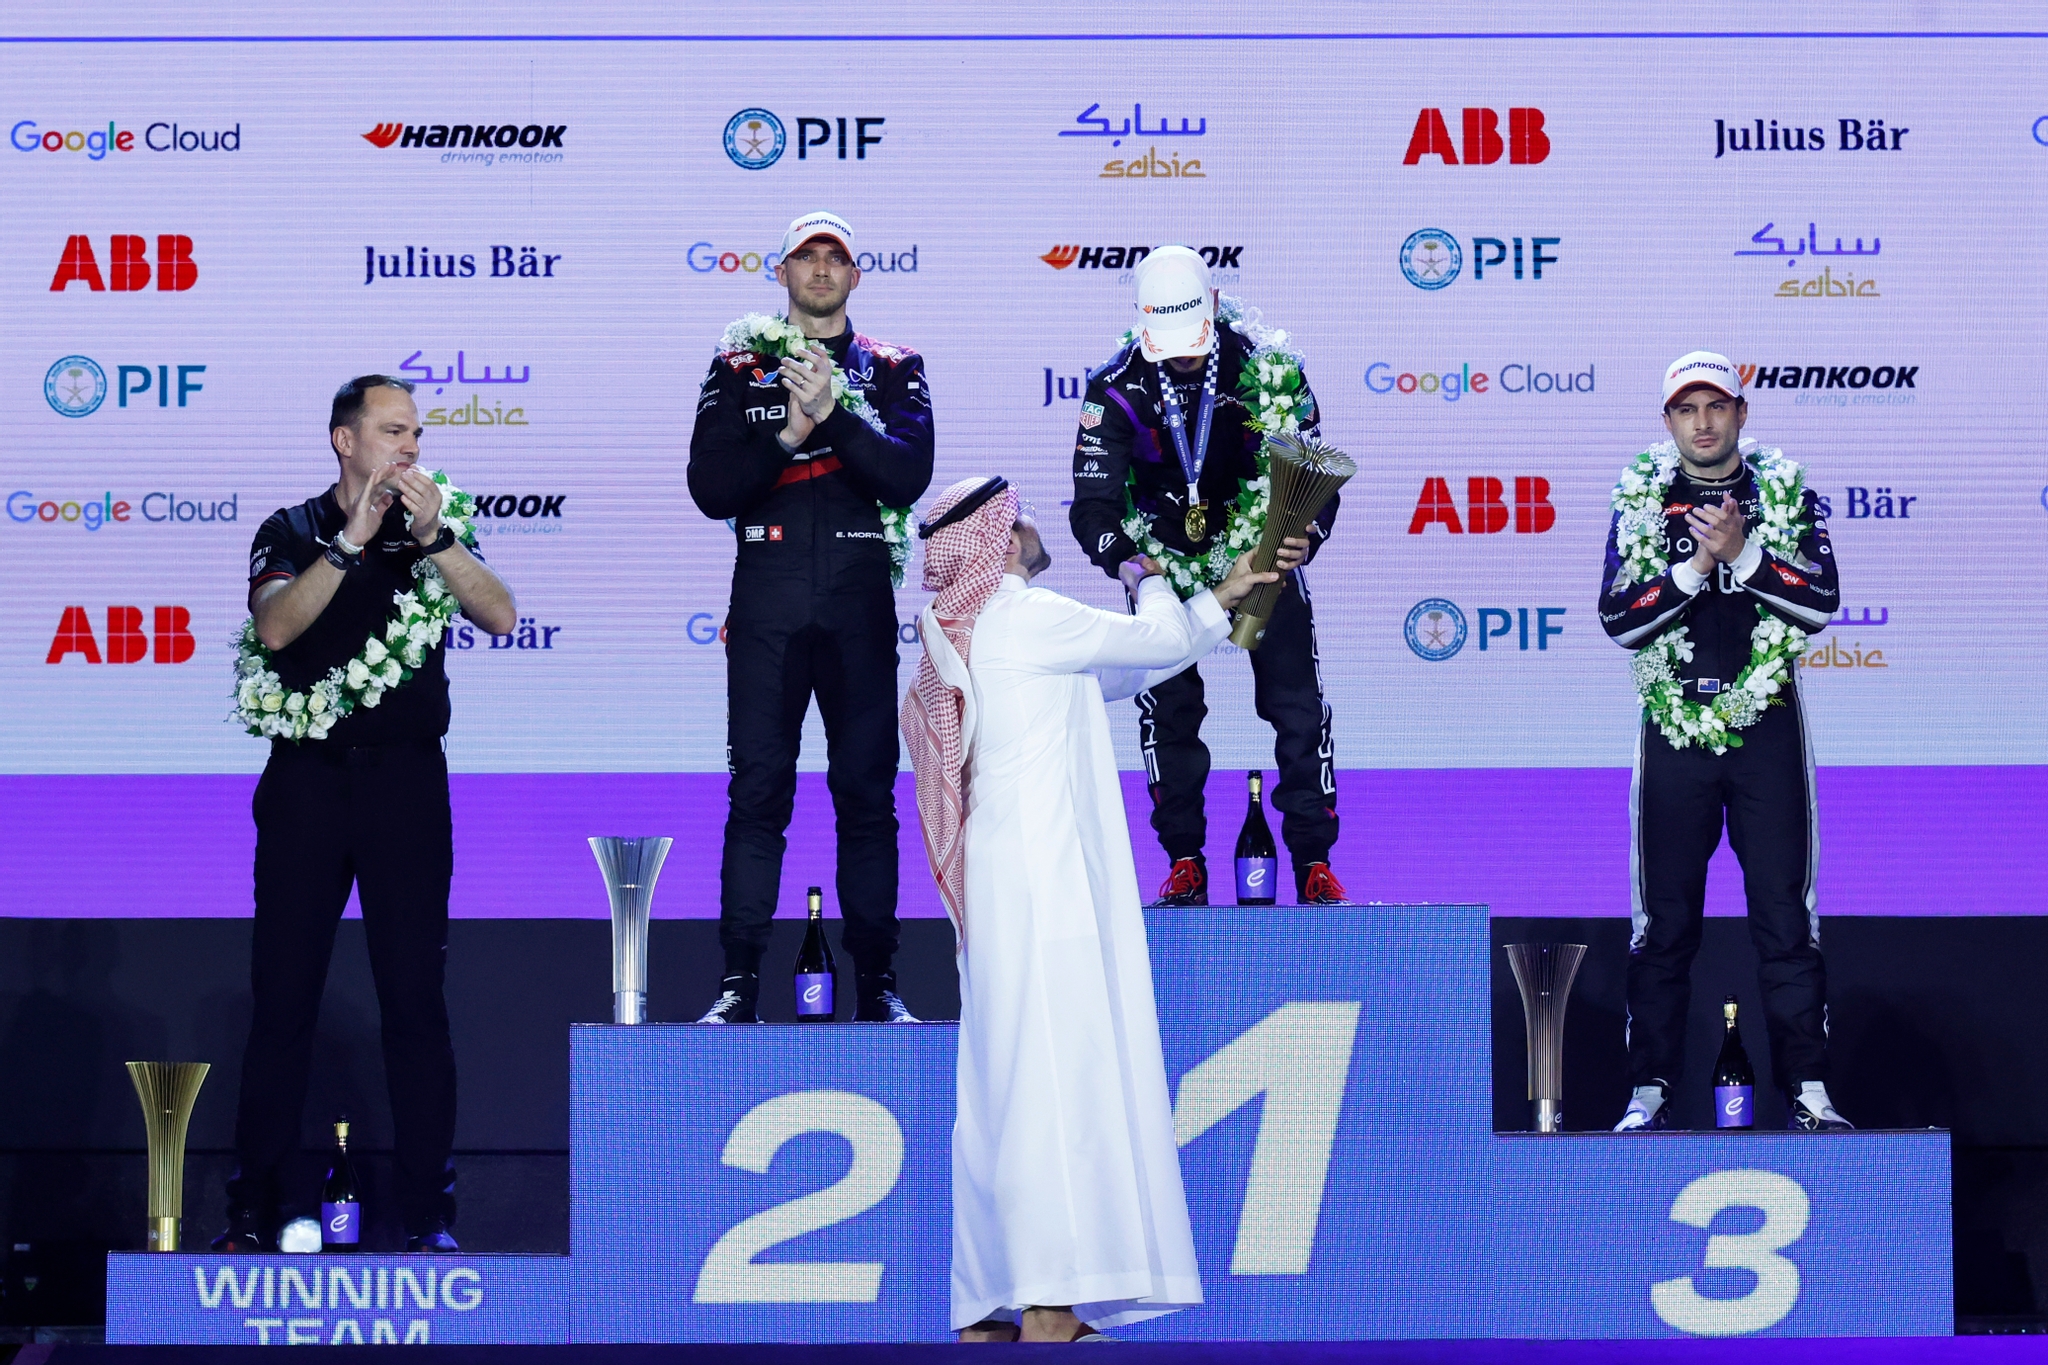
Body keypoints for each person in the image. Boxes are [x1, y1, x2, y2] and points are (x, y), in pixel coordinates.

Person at [902, 475, 1304, 1342]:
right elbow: (1153, 636)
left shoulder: (975, 625)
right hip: (1043, 883)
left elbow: (1134, 666)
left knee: (1004, 1085)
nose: (1032, 525)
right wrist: (1149, 574)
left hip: (1007, 885)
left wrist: (1222, 594)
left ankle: (987, 1304)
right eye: (1019, 516)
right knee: (1054, 1080)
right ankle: (1050, 1304)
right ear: (1000, 538)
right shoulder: (1024, 614)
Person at [215, 374, 517, 1252]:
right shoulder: (290, 529)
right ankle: (254, 1210)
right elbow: (276, 627)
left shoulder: (433, 526)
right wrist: (349, 541)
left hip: (406, 790)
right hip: (308, 786)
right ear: (345, 440)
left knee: (416, 1004)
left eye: (416, 433)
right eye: (393, 431)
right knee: (283, 1004)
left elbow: (500, 613)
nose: (411, 447)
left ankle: (427, 1213)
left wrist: (436, 540)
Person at [688, 211, 935, 1024]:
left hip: (860, 603)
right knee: (758, 791)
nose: (821, 269)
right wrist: (791, 431)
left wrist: (832, 414)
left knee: (866, 794)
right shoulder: (738, 365)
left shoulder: (894, 367)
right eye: (807, 257)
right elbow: (711, 487)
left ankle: (878, 985)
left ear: (855, 275)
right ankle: (737, 985)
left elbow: (906, 477)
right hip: (768, 599)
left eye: (835, 258)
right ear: (783, 272)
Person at [1599, 352, 1851, 1132]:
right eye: (1686, 409)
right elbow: (1618, 618)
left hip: (1766, 726)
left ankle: (1810, 1092)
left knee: (1786, 917)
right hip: (1673, 731)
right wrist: (1696, 567)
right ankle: (1649, 1094)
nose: (1702, 423)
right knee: (1663, 924)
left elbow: (1821, 603)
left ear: (1742, 414)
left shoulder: (1786, 493)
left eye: (1716, 407)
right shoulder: (1642, 497)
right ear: (1667, 421)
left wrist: (1743, 553)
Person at [1069, 245, 1347, 907]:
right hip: (1166, 563)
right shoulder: (1116, 387)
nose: (1182, 359)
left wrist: (1305, 535)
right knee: (1168, 713)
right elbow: (1093, 507)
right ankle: (1184, 860)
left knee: (1298, 708)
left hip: (1260, 554)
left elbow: (1313, 471)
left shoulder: (1268, 369)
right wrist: (1134, 569)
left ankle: (1314, 861)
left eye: (1192, 344)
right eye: (1168, 347)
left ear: (1214, 307)